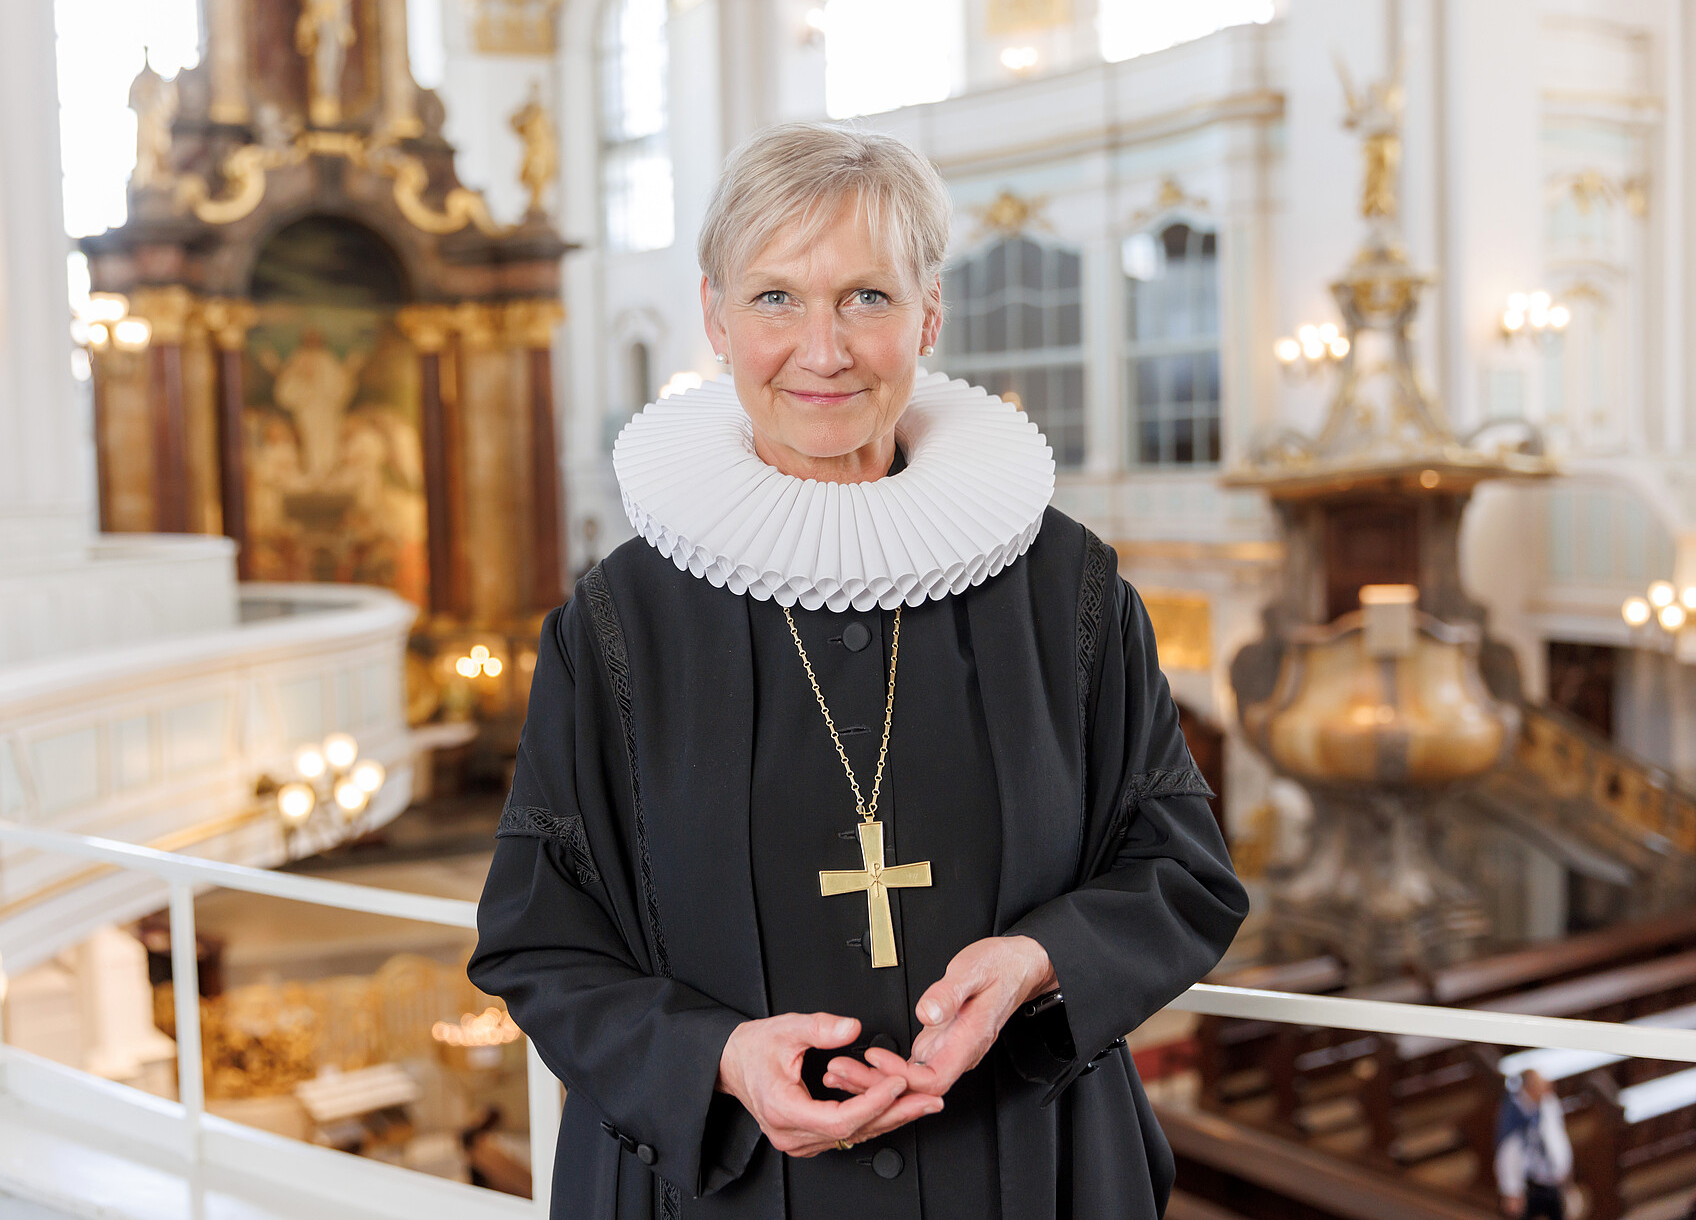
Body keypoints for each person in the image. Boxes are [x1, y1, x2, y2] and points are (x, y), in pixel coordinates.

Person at [469, 122, 1248, 1218]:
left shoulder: (1065, 587)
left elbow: (1182, 869)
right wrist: (719, 1058)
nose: (822, 350)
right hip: (725, 1190)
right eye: (775, 298)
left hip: (1025, 1175)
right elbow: (538, 943)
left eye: (867, 298)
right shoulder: (617, 624)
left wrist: (1038, 960)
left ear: (930, 313)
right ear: (715, 317)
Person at [1495, 1069, 1574, 1219]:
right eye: (1542, 1087)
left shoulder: (1548, 1103)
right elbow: (1508, 1154)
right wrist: (1512, 1190)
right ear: (1530, 1087)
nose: (1547, 1091)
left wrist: (1565, 1170)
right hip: (1529, 1186)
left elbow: (1558, 1139)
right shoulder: (1515, 1112)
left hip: (1552, 1181)